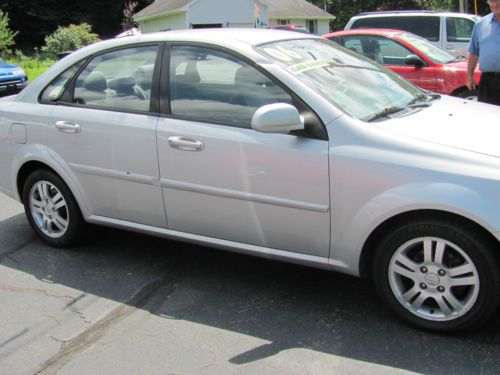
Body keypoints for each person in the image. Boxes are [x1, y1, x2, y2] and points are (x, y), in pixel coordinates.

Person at [466, 0, 500, 105]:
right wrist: (469, 76)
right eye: (492, 1)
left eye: (498, 1)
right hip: (488, 81)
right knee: (487, 115)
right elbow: (474, 53)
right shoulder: (480, 24)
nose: (494, 5)